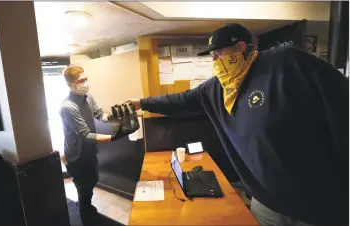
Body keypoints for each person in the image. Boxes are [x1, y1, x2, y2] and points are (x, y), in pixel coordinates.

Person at [126, 23, 348, 226]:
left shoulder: (285, 62)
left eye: (219, 54)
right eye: (212, 56)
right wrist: (140, 103)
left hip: (318, 204)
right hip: (265, 203)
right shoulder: (216, 89)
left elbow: (341, 101)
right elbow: (179, 100)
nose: (215, 61)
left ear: (240, 47)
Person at [59, 65, 131, 225]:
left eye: (86, 79)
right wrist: (112, 138)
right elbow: (85, 134)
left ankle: (86, 206)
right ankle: (86, 217)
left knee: (92, 180)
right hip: (77, 155)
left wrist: (117, 117)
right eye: (80, 80)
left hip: (91, 151)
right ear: (71, 84)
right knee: (84, 188)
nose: (85, 83)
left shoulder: (88, 97)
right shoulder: (68, 107)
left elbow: (99, 114)